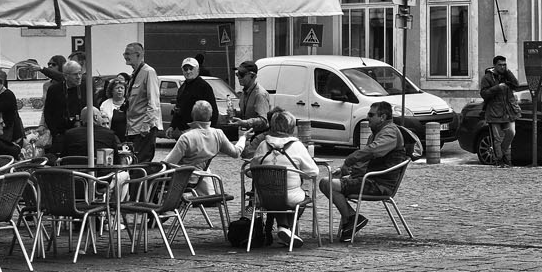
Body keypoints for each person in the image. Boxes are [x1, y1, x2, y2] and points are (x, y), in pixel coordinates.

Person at [319, 101, 408, 241]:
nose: (367, 117)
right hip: (370, 179)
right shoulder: (378, 133)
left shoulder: (389, 132)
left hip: (379, 185)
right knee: (327, 182)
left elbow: (373, 150)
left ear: (382, 117)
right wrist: (348, 173)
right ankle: (352, 218)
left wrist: (349, 161)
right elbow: (365, 160)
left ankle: (351, 218)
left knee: (327, 183)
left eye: (371, 115)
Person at [248, 109, 320, 245]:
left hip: (264, 197)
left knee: (277, 195)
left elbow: (252, 169)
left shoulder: (263, 145)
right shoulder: (297, 146)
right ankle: (287, 229)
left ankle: (284, 229)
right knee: (302, 196)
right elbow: (313, 172)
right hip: (291, 196)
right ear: (291, 127)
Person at [164, 101, 241, 192]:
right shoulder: (217, 134)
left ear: (193, 115)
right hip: (202, 179)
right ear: (210, 115)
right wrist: (243, 138)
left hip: (182, 181)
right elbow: (236, 152)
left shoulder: (186, 137)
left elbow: (168, 163)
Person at [478, 55, 521, 166]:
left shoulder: (507, 75)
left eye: (504, 64)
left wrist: (508, 72)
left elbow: (516, 85)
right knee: (497, 138)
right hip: (494, 112)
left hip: (508, 111)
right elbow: (484, 94)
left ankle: (500, 154)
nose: (502, 67)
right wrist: (497, 88)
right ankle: (500, 159)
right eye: (500, 65)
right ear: (494, 65)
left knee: (511, 132)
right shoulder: (487, 77)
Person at [124, 42, 161, 163]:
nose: (125, 56)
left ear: (138, 54)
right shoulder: (135, 73)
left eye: (128, 53)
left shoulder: (148, 72)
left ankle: (141, 182)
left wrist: (147, 125)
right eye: (124, 53)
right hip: (134, 128)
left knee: (141, 163)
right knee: (133, 162)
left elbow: (153, 102)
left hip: (143, 129)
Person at [52, 106, 121, 161]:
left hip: (76, 174)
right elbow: (116, 159)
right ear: (96, 117)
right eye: (100, 116)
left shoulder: (69, 134)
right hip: (102, 175)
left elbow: (64, 157)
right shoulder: (109, 134)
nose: (102, 119)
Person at [170, 57, 217, 136]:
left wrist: (209, 132)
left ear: (197, 70)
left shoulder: (204, 87)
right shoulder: (182, 87)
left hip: (200, 131)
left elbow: (213, 111)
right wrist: (172, 126)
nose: (188, 71)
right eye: (185, 69)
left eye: (191, 68)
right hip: (185, 131)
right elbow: (178, 109)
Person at [42, 60, 86, 141]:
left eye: (80, 73)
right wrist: (55, 133)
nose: (79, 77)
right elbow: (48, 113)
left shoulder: (86, 87)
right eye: (75, 74)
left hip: (83, 134)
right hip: (61, 134)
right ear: (66, 76)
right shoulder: (54, 90)